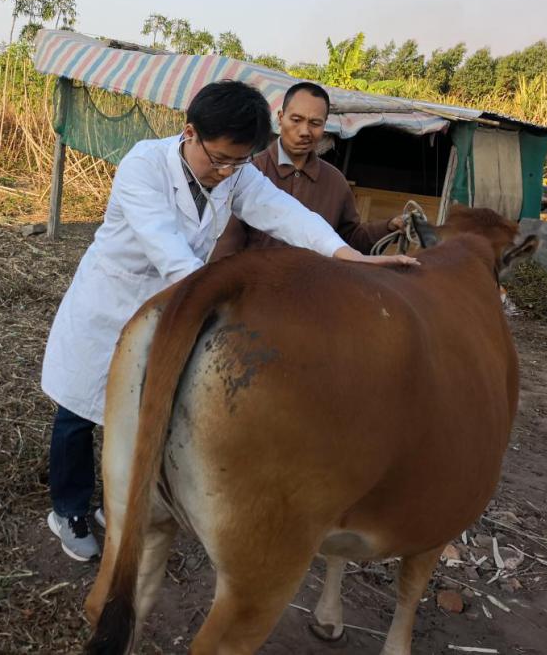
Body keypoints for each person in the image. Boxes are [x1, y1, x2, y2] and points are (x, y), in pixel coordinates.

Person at [41, 80, 417, 561]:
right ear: (189, 133)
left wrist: (346, 255)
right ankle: (68, 509)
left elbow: (284, 212)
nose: (225, 172)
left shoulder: (236, 173)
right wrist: (220, 312)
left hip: (169, 305)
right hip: (113, 300)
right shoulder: (143, 166)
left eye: (237, 163)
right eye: (218, 159)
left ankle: (114, 502)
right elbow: (167, 249)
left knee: (143, 408)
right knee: (77, 413)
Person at [212, 81, 403, 260]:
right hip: (257, 283)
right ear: (281, 118)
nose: (304, 131)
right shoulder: (249, 174)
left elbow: (348, 240)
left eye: (315, 123)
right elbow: (227, 247)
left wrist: (388, 228)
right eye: (296, 120)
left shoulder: (335, 182)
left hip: (315, 284)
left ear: (324, 126)